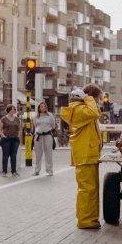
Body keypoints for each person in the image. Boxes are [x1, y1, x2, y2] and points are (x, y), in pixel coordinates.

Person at [61, 84, 103, 230]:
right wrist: (88, 98)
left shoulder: (81, 108)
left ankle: (90, 219)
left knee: (90, 189)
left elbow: (95, 111)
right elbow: (94, 112)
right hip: (85, 154)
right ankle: (86, 221)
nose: (98, 102)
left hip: (88, 154)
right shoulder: (79, 110)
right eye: (97, 98)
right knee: (87, 190)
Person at [32, 101, 56, 176]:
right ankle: (37, 170)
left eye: (44, 106)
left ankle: (49, 170)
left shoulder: (50, 116)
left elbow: (53, 126)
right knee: (38, 154)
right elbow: (35, 126)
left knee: (48, 153)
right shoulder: (36, 117)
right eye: (41, 106)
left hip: (47, 135)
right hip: (38, 136)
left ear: (46, 107)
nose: (43, 108)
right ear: (39, 108)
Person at [0, 104, 22, 177]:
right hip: (6, 140)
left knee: (13, 156)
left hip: (15, 140)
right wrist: (3, 136)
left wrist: (18, 136)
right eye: (12, 109)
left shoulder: (17, 119)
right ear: (8, 110)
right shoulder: (3, 119)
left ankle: (14, 171)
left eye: (14, 109)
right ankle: (4, 171)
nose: (13, 110)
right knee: (5, 156)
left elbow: (20, 129)